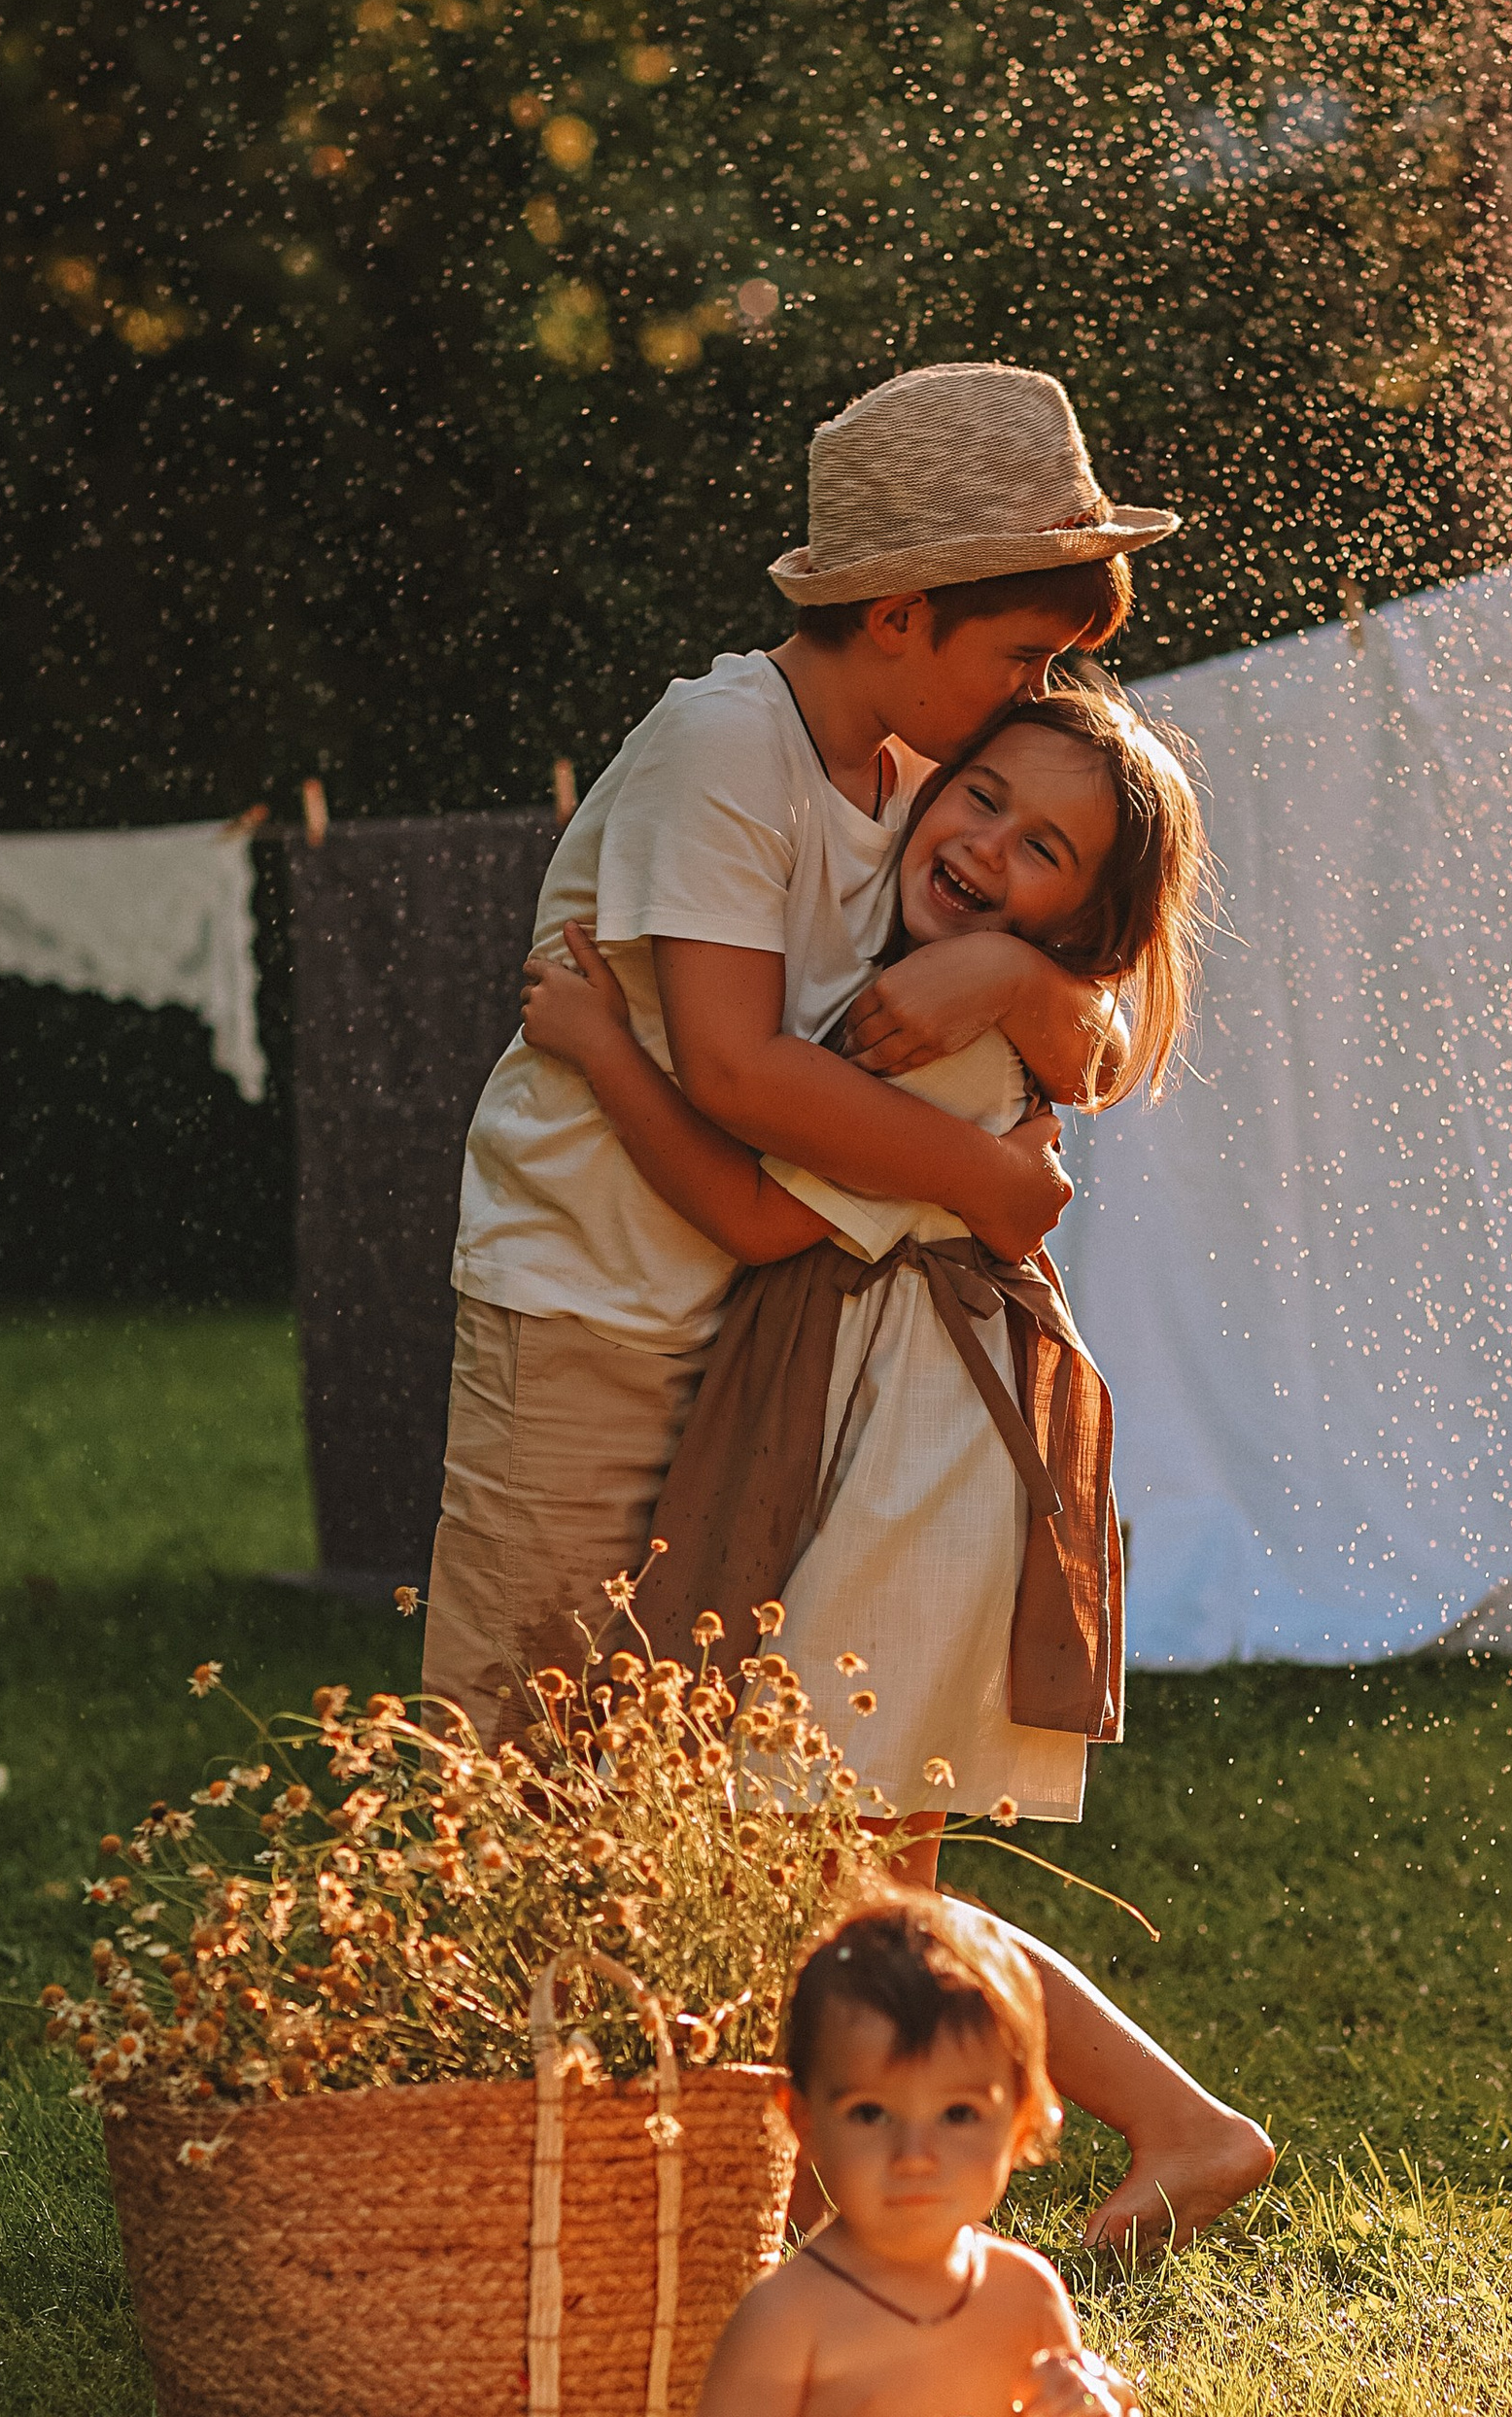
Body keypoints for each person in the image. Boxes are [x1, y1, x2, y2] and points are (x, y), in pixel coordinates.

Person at [432, 356, 1272, 2251]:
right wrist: (983, 1155)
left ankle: (659, 2198)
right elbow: (737, 1073)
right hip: (598, 1302)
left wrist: (1007, 991)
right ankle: (509, 2177)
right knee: (534, 1744)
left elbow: (1098, 1004)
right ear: (898, 619)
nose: (1026, 713)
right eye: (1010, 663)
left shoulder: (916, 781)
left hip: (779, 1351)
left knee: (764, 1812)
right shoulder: (728, 749)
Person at [516, 681, 1202, 1839]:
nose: (985, 844)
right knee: (855, 1844)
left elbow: (753, 1217)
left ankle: (936, 2025)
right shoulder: (948, 988)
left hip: (912, 1456)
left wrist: (604, 1052)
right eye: (980, 796)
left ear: (1080, 925)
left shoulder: (934, 1035)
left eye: (1040, 848)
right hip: (896, 1426)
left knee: (842, 1840)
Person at [685, 1892, 1142, 2417]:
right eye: (871, 2113)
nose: (915, 2156)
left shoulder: (1025, 2295)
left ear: (1023, 2123)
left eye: (958, 2115)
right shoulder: (791, 2314)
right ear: (803, 2124)